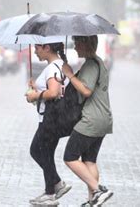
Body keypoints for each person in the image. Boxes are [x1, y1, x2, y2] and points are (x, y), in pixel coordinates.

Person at [61, 35, 114, 206]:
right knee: (89, 160)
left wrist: (69, 74)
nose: (75, 47)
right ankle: (93, 200)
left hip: (91, 120)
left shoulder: (91, 64)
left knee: (70, 156)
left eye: (77, 43)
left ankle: (98, 190)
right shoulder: (97, 62)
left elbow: (86, 91)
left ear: (86, 43)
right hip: (102, 120)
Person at [25, 42, 72, 205]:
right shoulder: (62, 65)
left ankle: (51, 192)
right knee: (44, 153)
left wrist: (34, 96)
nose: (35, 52)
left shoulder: (52, 68)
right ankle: (56, 185)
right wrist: (36, 88)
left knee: (38, 151)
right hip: (57, 118)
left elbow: (53, 92)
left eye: (37, 48)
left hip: (50, 118)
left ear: (47, 48)